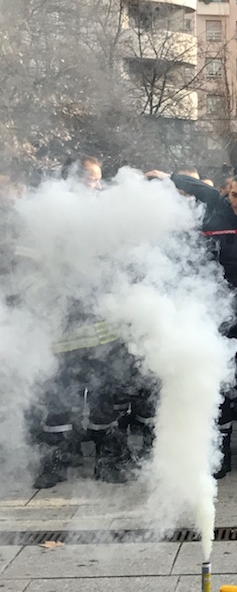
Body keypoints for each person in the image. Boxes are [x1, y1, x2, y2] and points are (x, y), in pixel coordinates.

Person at [168, 160, 237, 477]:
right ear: (227, 194)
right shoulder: (212, 221)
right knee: (221, 389)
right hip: (218, 321)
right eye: (235, 195)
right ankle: (221, 452)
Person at [31, 155, 132, 488]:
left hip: (104, 329)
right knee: (59, 400)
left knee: (106, 400)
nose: (99, 186)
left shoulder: (106, 217)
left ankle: (109, 462)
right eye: (93, 179)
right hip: (64, 329)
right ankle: (57, 461)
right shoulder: (49, 216)